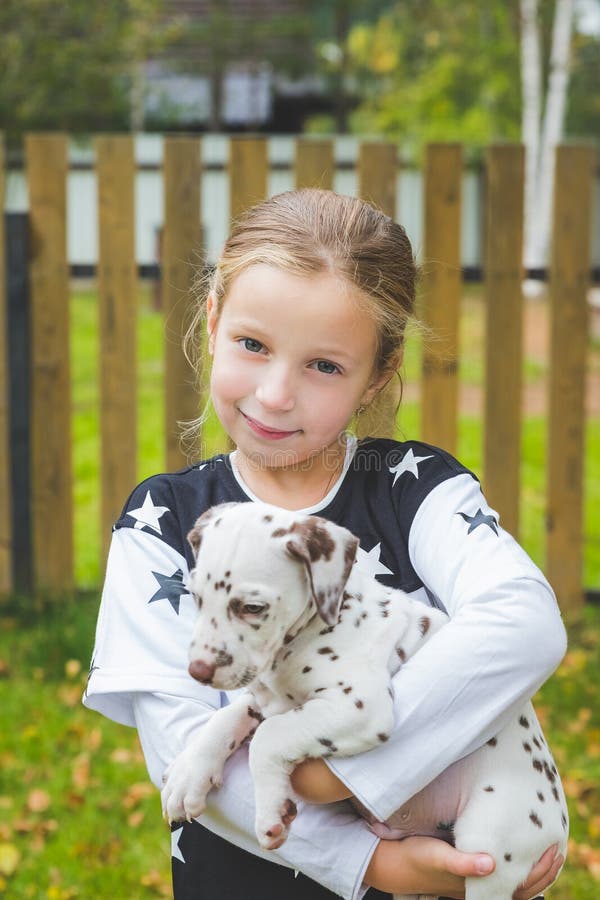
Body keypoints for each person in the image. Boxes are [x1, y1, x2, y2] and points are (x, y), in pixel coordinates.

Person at [84, 188, 567, 900]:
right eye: (254, 345)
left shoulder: (417, 492)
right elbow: (183, 761)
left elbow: (524, 623)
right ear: (213, 320)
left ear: (378, 371)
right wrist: (374, 864)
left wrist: (324, 766)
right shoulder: (163, 521)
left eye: (325, 366)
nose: (276, 394)